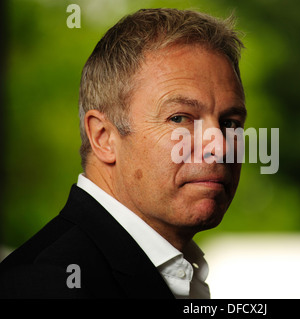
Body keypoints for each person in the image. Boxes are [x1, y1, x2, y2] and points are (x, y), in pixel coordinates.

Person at [0, 8, 246, 299]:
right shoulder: (45, 286)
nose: (219, 147)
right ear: (103, 137)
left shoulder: (176, 274)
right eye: (180, 118)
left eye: (230, 123)